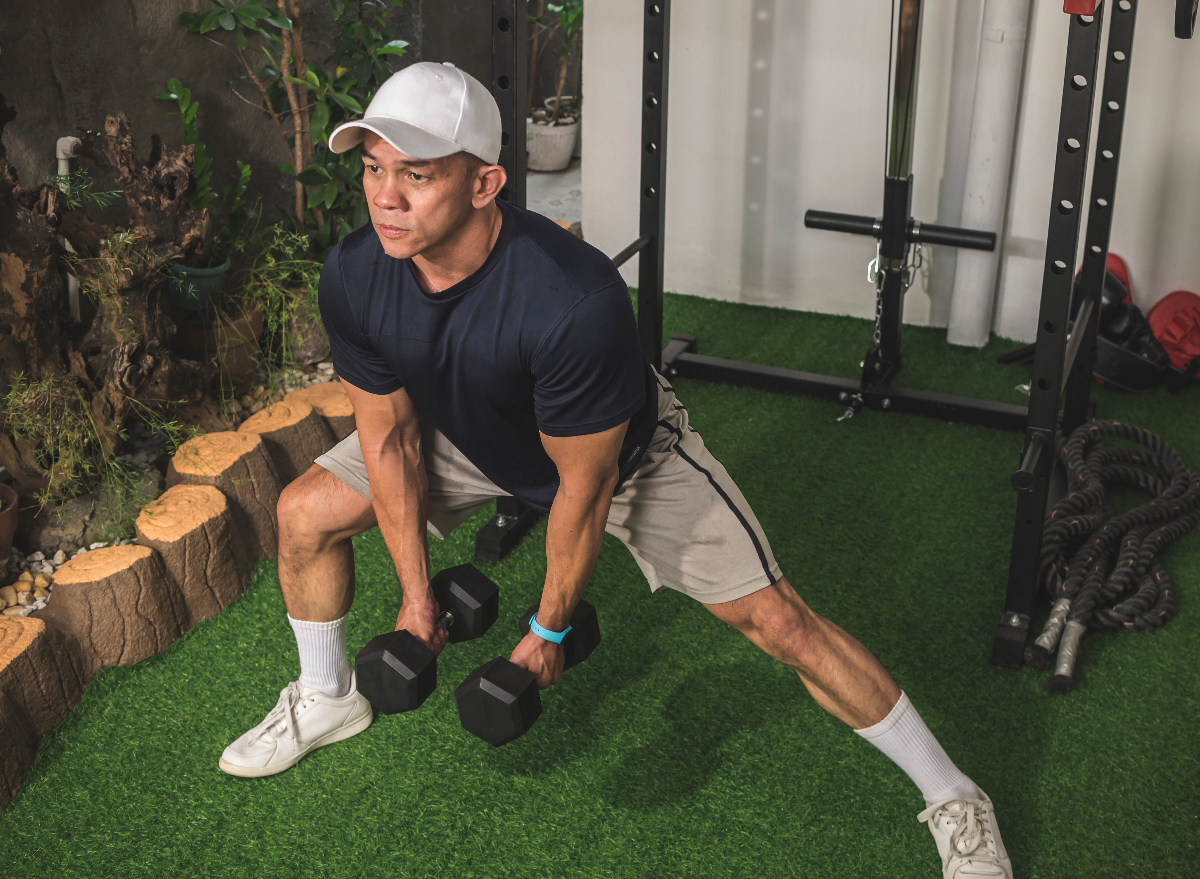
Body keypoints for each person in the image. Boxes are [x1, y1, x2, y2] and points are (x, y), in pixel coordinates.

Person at [217, 61, 1013, 879]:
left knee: (780, 622)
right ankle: (328, 695)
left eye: (416, 175)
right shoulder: (356, 271)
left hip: (619, 459)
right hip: (462, 431)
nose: (385, 196)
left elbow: (584, 487)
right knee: (303, 513)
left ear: (486, 182)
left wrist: (548, 629)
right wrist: (417, 600)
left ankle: (954, 795)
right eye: (374, 169)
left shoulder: (571, 299)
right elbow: (388, 442)